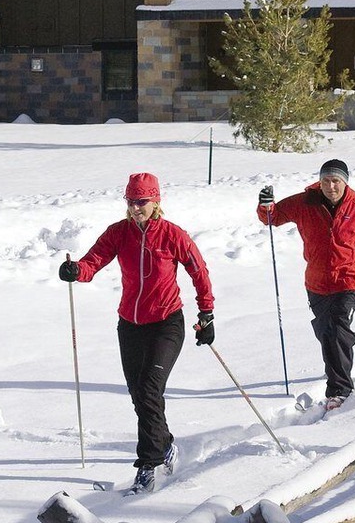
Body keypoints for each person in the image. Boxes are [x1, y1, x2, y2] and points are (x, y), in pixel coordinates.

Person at [58, 172, 215, 494]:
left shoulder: (172, 234)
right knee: (141, 396)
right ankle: (166, 442)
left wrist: (207, 312)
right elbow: (94, 260)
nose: (135, 208)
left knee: (148, 390)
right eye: (130, 202)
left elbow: (198, 270)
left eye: (141, 202)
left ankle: (148, 465)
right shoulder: (119, 233)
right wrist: (77, 271)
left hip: (166, 322)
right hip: (129, 324)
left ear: (155, 201)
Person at [257, 158, 355, 412]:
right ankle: (340, 366)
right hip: (317, 283)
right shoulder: (304, 202)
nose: (331, 186)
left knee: (336, 330)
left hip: (349, 280)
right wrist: (265, 205)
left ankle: (340, 391)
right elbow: (273, 217)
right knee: (327, 333)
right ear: (320, 181)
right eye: (326, 180)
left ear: (345, 182)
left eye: (336, 181)